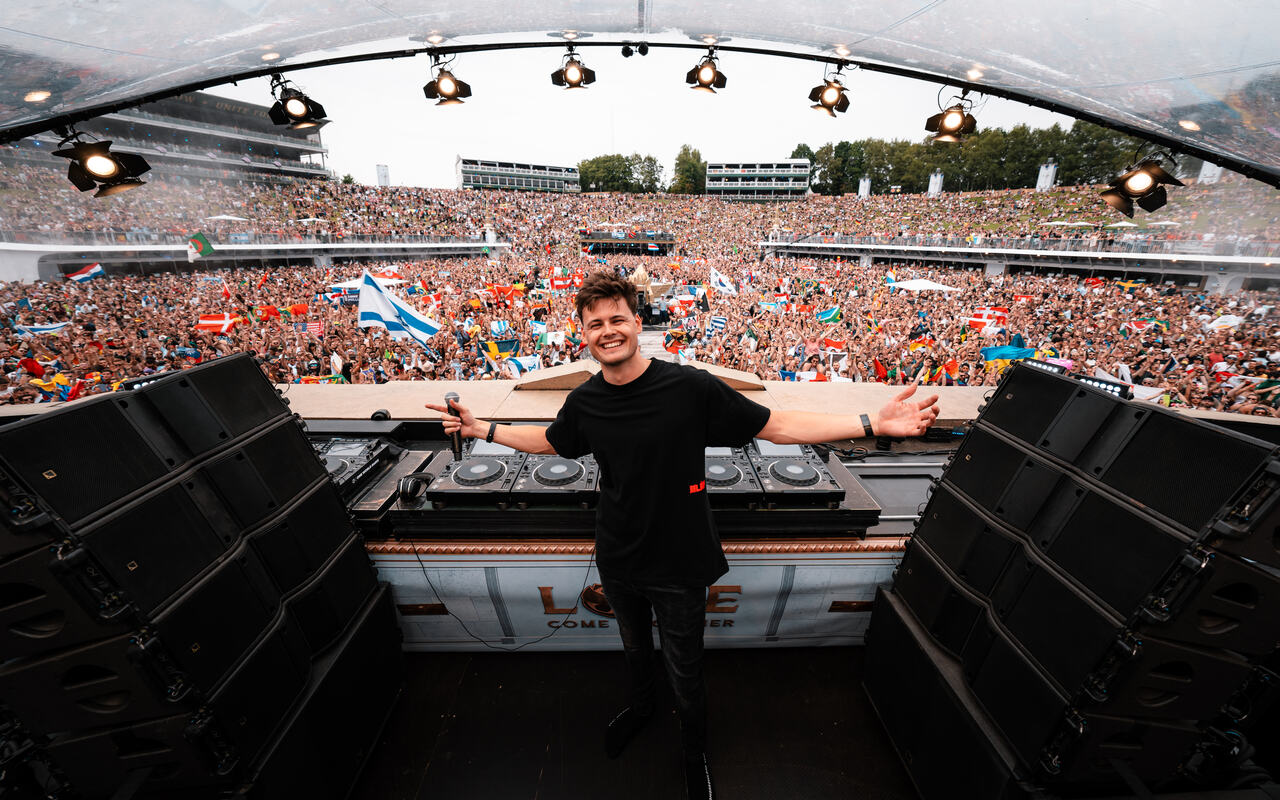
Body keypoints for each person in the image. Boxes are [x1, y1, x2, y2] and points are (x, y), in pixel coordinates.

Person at [425, 270, 938, 799]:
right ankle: (642, 707)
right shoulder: (585, 401)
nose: (608, 331)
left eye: (617, 319)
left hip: (679, 561)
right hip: (618, 557)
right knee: (634, 649)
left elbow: (778, 426)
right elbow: (552, 442)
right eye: (595, 324)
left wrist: (872, 424)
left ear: (637, 321)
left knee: (685, 668)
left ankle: (693, 752)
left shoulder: (690, 387)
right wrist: (480, 429)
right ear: (583, 334)